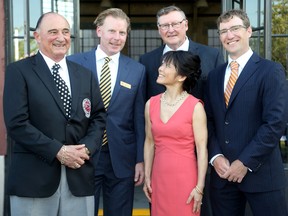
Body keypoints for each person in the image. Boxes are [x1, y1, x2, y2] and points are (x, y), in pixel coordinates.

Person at [3, 12, 106, 216]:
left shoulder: (85, 74)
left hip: (79, 176)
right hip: (33, 180)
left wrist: (86, 149)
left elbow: (99, 117)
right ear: (37, 37)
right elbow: (17, 124)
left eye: (65, 31)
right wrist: (58, 151)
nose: (61, 37)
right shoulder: (19, 71)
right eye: (53, 32)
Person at [205, 9, 288, 216]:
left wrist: (245, 162)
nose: (229, 35)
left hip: (261, 176)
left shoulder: (270, 70)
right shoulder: (214, 76)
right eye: (223, 31)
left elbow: (275, 123)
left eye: (235, 28)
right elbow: (210, 121)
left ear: (249, 31)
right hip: (222, 177)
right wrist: (215, 157)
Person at [67, 8, 146, 216]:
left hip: (122, 156)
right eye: (112, 31)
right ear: (99, 31)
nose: (117, 38)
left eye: (122, 33)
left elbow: (139, 118)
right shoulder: (74, 63)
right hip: (83, 154)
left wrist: (140, 159)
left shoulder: (137, 70)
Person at [143, 50, 208, 216]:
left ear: (181, 77)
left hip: (186, 179)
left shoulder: (195, 107)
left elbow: (202, 149)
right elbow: (149, 142)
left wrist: (199, 188)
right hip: (159, 178)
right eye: (162, 64)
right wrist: (147, 177)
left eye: (167, 66)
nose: (160, 68)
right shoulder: (151, 104)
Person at [139, 5, 224, 101]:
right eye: (165, 26)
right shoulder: (146, 60)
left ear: (186, 25)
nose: (171, 30)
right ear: (159, 29)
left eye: (175, 24)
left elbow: (219, 96)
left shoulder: (212, 56)